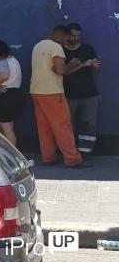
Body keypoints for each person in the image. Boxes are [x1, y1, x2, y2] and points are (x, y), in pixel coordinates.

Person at [30, 26, 90, 168]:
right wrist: (73, 64)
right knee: (63, 125)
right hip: (52, 92)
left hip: (36, 91)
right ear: (59, 37)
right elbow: (61, 70)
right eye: (65, 39)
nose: (66, 43)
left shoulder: (38, 46)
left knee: (44, 127)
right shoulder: (56, 47)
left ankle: (48, 157)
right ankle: (73, 159)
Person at [63, 23, 102, 155]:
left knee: (89, 125)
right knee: (68, 125)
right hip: (68, 94)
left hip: (89, 94)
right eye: (73, 35)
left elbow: (97, 70)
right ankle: (71, 153)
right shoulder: (61, 50)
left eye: (78, 36)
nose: (75, 38)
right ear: (67, 35)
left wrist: (95, 65)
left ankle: (85, 154)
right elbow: (61, 71)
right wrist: (81, 64)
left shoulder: (87, 49)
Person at [0, 41, 27, 145]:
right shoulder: (13, 60)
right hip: (16, 95)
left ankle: (13, 157)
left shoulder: (3, 62)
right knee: (5, 128)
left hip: (5, 97)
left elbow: (5, 75)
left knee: (7, 130)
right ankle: (6, 153)